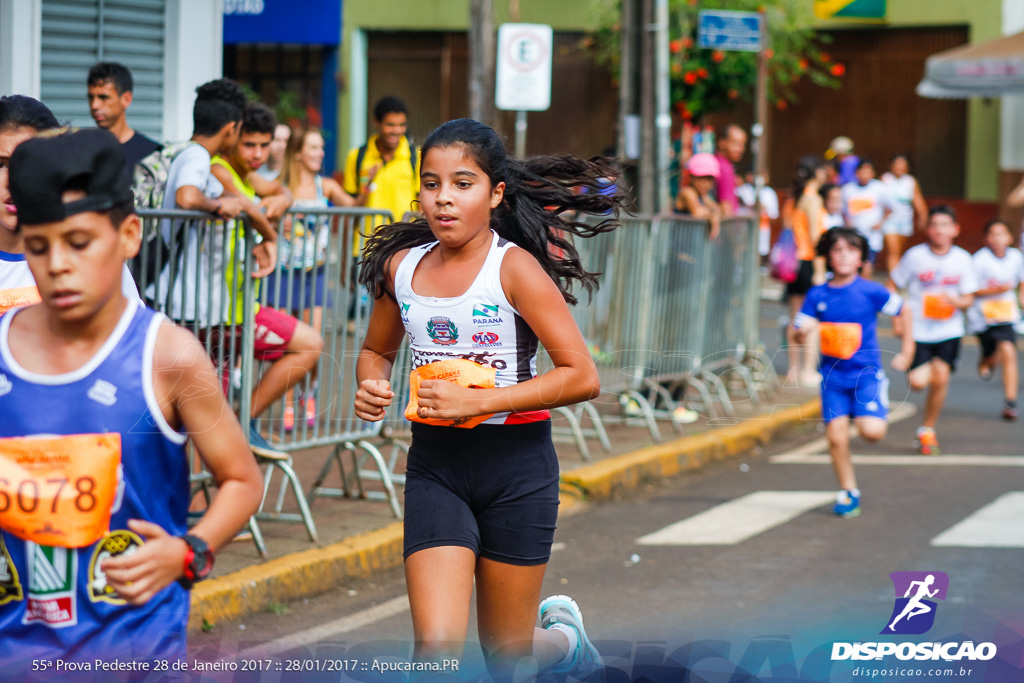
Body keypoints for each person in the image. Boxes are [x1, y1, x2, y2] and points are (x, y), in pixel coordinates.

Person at [354, 118, 627, 679]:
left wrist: (477, 403)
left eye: (462, 183)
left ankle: (565, 645)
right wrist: (371, 383)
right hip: (437, 469)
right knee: (435, 651)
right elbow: (375, 350)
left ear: (495, 193)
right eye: (431, 184)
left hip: (517, 470)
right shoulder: (400, 270)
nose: (444, 199)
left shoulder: (515, 269)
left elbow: (582, 376)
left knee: (508, 660)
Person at [0, 127, 263, 667]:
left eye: (79, 243)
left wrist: (188, 551)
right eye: (39, 246)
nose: (57, 265)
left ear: (129, 235)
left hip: (137, 654)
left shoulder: (170, 356)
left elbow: (241, 480)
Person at [151, 78, 281, 457]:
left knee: (194, 407)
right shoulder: (196, 157)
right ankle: (190, 500)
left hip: (191, 305)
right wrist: (218, 205)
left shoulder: (192, 156)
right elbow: (186, 197)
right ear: (231, 129)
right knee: (192, 408)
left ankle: (193, 496)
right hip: (182, 304)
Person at [210, 104, 324, 435]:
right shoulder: (218, 169)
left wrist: (283, 199)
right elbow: (247, 205)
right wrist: (271, 233)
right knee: (201, 425)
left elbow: (279, 189)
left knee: (310, 344)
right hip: (213, 314)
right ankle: (234, 432)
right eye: (250, 144)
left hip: (244, 310)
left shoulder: (248, 175)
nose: (258, 153)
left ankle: (241, 423)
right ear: (231, 136)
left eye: (265, 144)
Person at [793, 227, 913, 518]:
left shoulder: (870, 290)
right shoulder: (817, 294)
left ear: (861, 258)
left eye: (851, 250)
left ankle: (869, 408)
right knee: (836, 439)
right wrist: (802, 333)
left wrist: (907, 350)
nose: (844, 255)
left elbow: (904, 310)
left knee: (872, 432)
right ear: (828, 257)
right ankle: (848, 491)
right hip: (832, 378)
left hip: (866, 375)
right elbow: (797, 330)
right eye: (837, 250)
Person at [0, 95, 139, 313]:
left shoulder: (96, 257)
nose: (12, 181)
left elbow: (134, 334)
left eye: (28, 164)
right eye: (1, 164)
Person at [889, 205, 978, 455]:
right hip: (918, 330)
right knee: (917, 383)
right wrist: (898, 320)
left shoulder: (963, 259)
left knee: (941, 377)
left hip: (949, 330)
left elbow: (969, 298)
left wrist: (955, 301)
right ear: (928, 229)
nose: (940, 230)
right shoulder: (915, 256)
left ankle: (927, 429)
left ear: (955, 229)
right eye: (935, 225)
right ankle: (925, 417)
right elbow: (892, 284)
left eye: (945, 225)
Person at [968, 219, 1024, 421]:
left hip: (1007, 315)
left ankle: (1010, 402)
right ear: (986, 239)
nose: (998, 239)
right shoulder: (979, 260)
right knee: (992, 355)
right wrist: (996, 290)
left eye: (1002, 234)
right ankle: (987, 360)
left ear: (1010, 237)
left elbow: (1021, 282)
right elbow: (971, 290)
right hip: (982, 317)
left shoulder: (1017, 257)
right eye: (993, 234)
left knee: (1009, 352)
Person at [343, 96, 419, 234]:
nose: (397, 131)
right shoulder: (356, 156)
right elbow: (349, 209)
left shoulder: (417, 157)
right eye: (390, 125)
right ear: (376, 122)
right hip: (366, 244)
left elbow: (422, 204)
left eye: (402, 125)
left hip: (404, 243)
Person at [783, 157, 828, 387]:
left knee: (795, 318)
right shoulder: (813, 198)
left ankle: (793, 370)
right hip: (808, 262)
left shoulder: (795, 197)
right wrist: (820, 270)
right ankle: (808, 370)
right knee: (811, 319)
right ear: (818, 172)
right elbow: (815, 237)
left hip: (792, 262)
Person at [87, 61, 161, 170]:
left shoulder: (151, 154)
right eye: (91, 97)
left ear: (126, 99)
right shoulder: (83, 150)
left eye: (103, 97)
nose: (95, 105)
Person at [842, 158, 893, 278]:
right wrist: (848, 222)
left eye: (868, 171)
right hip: (854, 234)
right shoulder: (848, 189)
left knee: (868, 263)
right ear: (856, 173)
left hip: (872, 235)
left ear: (873, 173)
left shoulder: (880, 188)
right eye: (862, 171)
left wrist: (880, 223)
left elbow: (889, 208)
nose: (864, 174)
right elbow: (843, 210)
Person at [880, 153, 928, 274]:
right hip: (889, 220)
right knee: (893, 251)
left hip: (905, 221)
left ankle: (896, 277)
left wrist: (923, 217)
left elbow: (918, 201)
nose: (899, 168)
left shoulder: (910, 181)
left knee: (899, 252)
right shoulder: (885, 179)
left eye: (903, 166)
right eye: (897, 165)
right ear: (891, 166)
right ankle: (893, 281)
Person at [675, 152, 722, 238]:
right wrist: (712, 216)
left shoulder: (703, 196)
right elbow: (697, 211)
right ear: (692, 177)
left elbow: (715, 208)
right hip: (680, 246)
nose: (705, 184)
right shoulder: (687, 192)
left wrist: (715, 215)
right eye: (701, 178)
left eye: (709, 179)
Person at [737, 171, 780, 257]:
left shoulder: (769, 193)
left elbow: (774, 216)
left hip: (762, 231)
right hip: (743, 233)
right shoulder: (744, 190)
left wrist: (762, 210)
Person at [714, 124, 747, 217]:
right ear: (722, 143)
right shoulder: (725, 168)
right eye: (736, 144)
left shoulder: (718, 162)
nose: (741, 149)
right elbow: (726, 207)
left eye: (743, 145)